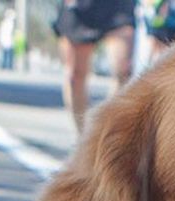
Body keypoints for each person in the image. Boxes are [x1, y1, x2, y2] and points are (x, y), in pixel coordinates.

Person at [53, 0, 135, 131]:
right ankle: (83, 138)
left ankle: (104, 132)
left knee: (123, 70)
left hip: (118, 6)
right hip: (79, 7)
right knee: (75, 76)